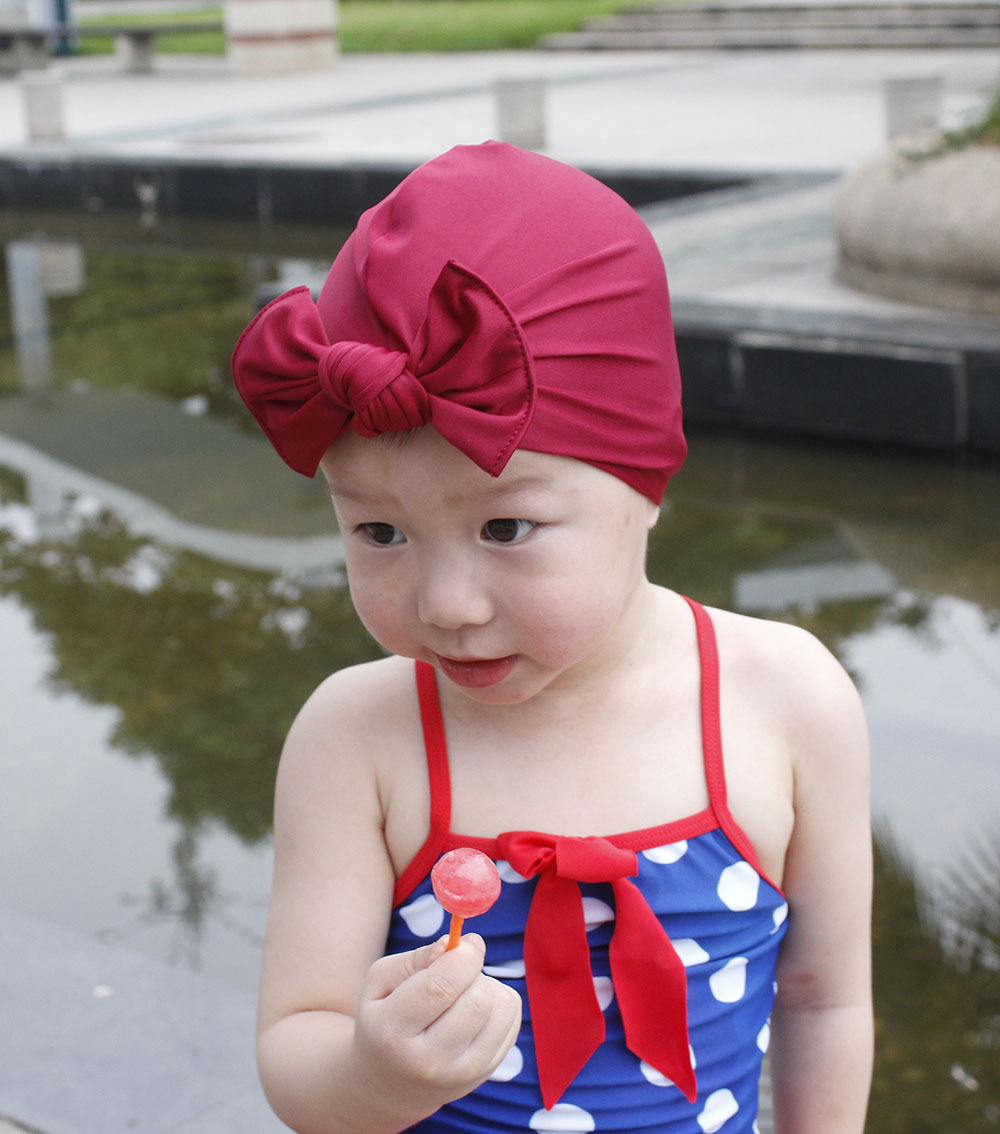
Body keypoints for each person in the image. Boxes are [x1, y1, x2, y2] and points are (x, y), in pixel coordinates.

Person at [232, 141, 873, 1134]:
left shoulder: (784, 699)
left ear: (645, 484)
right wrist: (374, 1073)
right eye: (379, 531)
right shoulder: (357, 736)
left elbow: (824, 999)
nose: (447, 604)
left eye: (505, 528)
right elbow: (295, 1045)